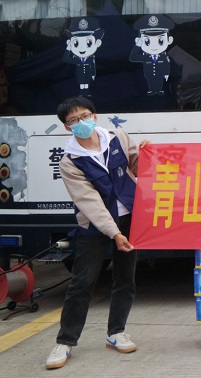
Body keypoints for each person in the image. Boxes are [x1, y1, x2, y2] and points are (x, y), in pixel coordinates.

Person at [46, 96, 150, 370]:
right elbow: (89, 202)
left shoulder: (118, 137)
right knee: (82, 282)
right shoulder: (70, 162)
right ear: (67, 127)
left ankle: (116, 333)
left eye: (84, 116)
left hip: (131, 219)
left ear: (95, 116)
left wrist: (146, 154)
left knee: (125, 279)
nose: (81, 122)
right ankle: (65, 341)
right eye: (73, 120)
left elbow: (137, 168)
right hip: (95, 226)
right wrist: (114, 233)